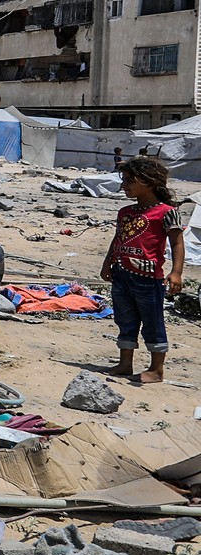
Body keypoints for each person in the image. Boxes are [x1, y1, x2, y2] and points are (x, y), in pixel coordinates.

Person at [102, 155, 184, 384]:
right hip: (121, 274)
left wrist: (176, 273)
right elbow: (118, 238)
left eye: (130, 180)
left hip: (148, 279)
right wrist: (108, 261)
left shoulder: (166, 211)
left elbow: (177, 242)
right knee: (125, 320)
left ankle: (157, 369)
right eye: (124, 180)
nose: (124, 185)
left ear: (148, 182)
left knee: (152, 322)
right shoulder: (125, 212)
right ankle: (125, 363)